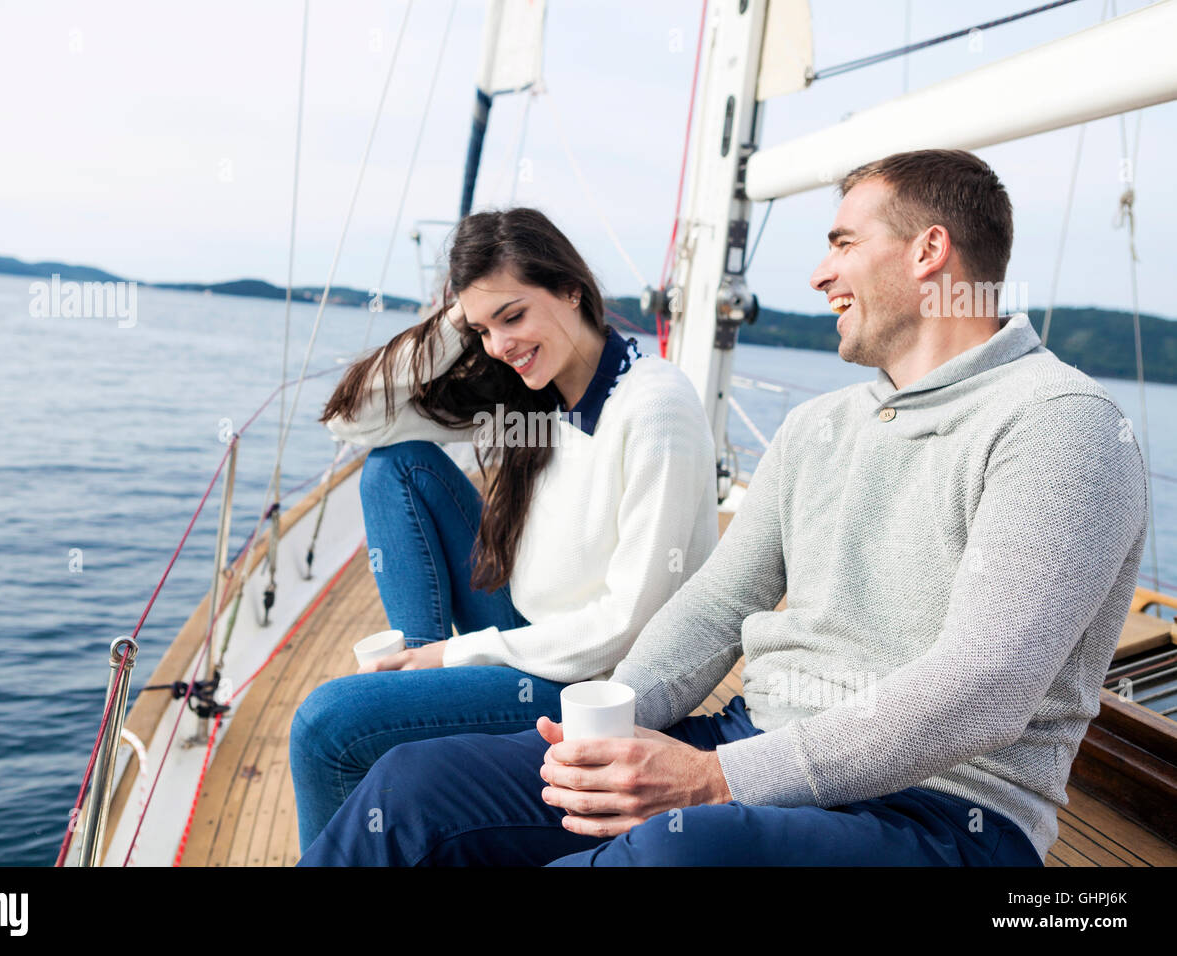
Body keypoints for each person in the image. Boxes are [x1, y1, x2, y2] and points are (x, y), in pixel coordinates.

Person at [298, 149, 1149, 867]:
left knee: (664, 852)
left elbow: (982, 692)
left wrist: (715, 782)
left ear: (929, 252)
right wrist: (609, 725)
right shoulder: (820, 425)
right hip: (750, 741)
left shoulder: (1058, 425)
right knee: (412, 791)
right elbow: (714, 604)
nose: (819, 273)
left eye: (843, 243)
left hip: (941, 813)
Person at [288, 207, 719, 852]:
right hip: (529, 632)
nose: (498, 346)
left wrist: (453, 656)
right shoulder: (531, 399)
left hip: (590, 685)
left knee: (327, 726)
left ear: (572, 290)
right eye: (483, 328)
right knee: (396, 467)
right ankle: (419, 690)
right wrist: (459, 319)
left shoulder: (654, 407)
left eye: (513, 316)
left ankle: (418, 691)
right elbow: (353, 420)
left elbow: (628, 628)